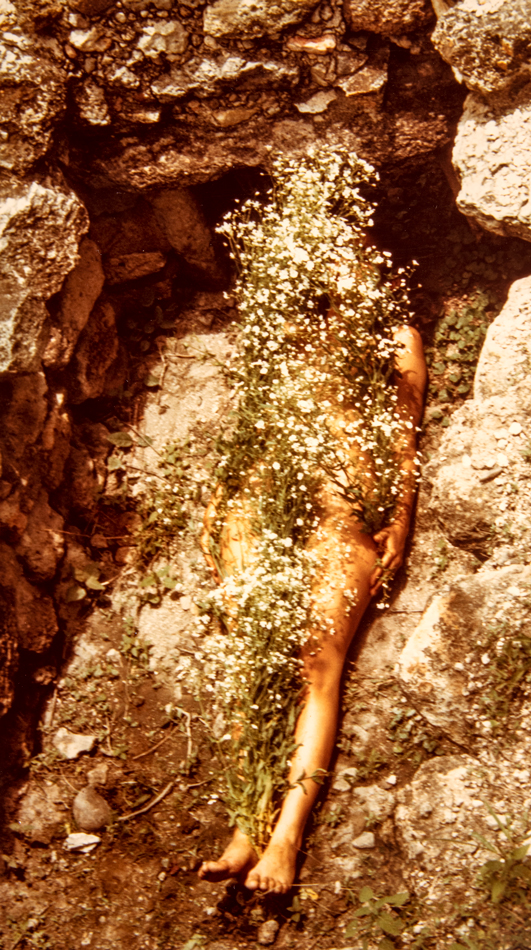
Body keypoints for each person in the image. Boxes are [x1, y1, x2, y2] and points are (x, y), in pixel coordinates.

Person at [197, 320, 427, 895]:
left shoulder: (395, 335)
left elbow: (404, 436)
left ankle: (286, 838)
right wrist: (219, 501)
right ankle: (246, 828)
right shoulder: (283, 319)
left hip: (343, 507)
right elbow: (249, 422)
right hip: (258, 498)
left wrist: (399, 518)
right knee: (254, 663)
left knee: (316, 664)